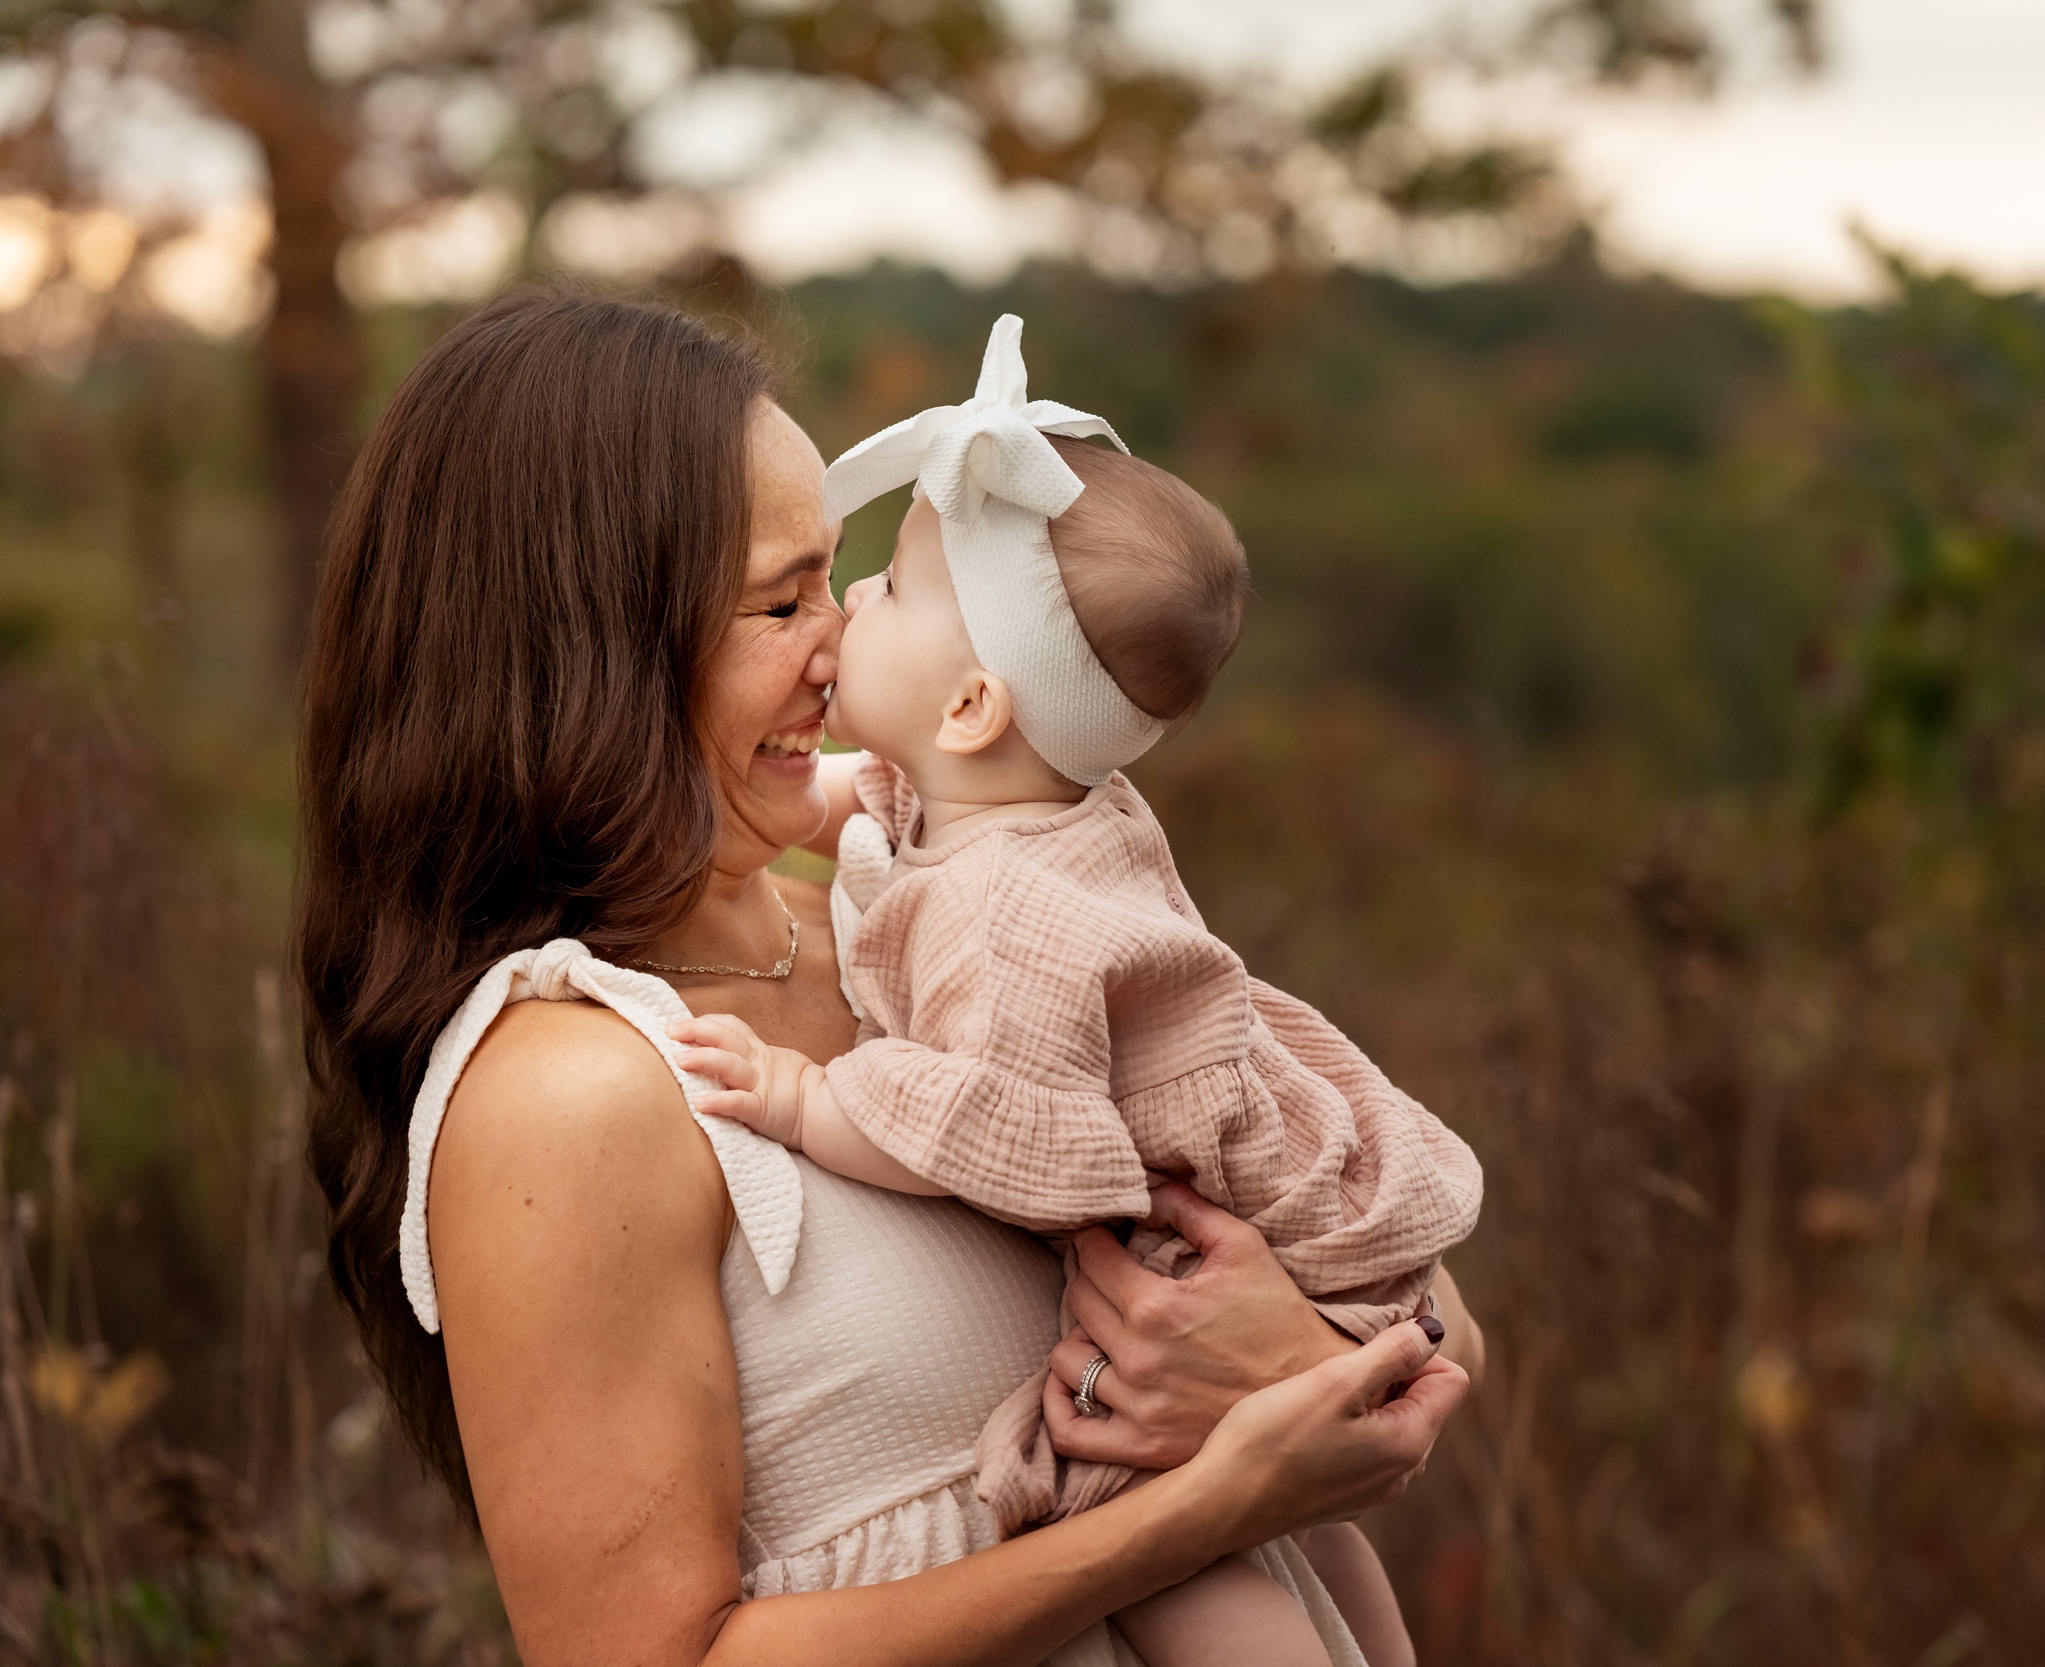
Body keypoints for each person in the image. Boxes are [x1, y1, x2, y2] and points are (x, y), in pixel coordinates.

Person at [296, 291, 1482, 1667]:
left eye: (850, 574)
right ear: (590, 645)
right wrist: (1203, 1507)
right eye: (782, 598)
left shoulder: (938, 915)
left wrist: (1288, 1361)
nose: (840, 636)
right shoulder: (573, 1089)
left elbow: (1412, 1280)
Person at [668, 315, 1482, 1667]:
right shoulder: (1024, 805)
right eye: (798, 596)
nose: (852, 606)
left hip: (1186, 1245)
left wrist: (812, 1100)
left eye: (888, 592)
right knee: (1310, 1524)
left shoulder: (1003, 917)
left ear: (976, 707)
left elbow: (990, 1124)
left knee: (1171, 1542)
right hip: (1303, 1227)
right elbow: (837, 805)